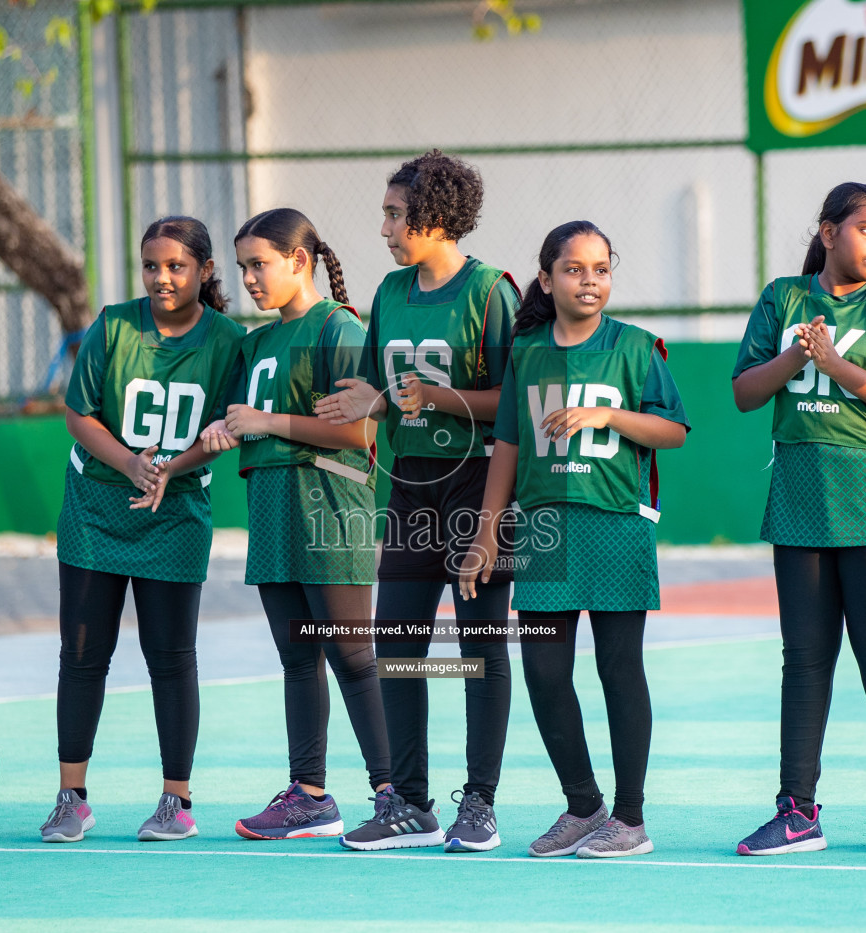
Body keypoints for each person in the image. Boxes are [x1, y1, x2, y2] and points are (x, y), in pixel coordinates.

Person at [460, 221, 689, 859]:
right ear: (546, 278)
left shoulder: (637, 348)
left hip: (615, 523)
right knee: (545, 672)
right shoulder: (527, 351)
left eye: (601, 269)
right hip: (542, 529)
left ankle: (631, 819)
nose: (590, 281)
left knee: (620, 670)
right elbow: (507, 443)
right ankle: (584, 804)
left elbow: (674, 431)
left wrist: (608, 415)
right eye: (575, 269)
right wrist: (485, 534)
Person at [316, 150, 520, 852]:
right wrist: (365, 402)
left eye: (394, 215)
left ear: (435, 217)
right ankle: (409, 802)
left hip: (478, 485)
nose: (384, 228)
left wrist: (431, 397)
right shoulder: (392, 293)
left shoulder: (491, 291)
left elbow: (514, 404)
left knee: (479, 648)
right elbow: (382, 392)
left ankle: (481, 803)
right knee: (399, 644)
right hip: (412, 487)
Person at [202, 208, 421, 851]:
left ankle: (396, 796)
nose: (248, 278)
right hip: (272, 509)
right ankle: (310, 795)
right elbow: (244, 418)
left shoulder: (340, 329)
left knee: (352, 657)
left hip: (330, 506)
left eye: (259, 264)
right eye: (242, 267)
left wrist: (268, 424)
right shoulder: (256, 343)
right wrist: (224, 430)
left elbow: (358, 431)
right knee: (298, 659)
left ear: (300, 261)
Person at [729, 182, 866, 856]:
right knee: (805, 659)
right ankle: (797, 811)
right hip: (799, 495)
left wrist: (837, 366)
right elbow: (743, 393)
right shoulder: (782, 300)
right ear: (828, 232)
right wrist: (799, 355)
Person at [38, 216, 247, 843]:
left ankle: (175, 801)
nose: (161, 277)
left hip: (175, 513)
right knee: (81, 656)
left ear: (205, 271)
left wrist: (168, 471)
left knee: (172, 658)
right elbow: (79, 414)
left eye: (176, 267)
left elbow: (225, 430)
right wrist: (132, 464)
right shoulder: (114, 324)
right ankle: (71, 797)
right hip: (95, 512)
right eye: (152, 265)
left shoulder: (228, 342)